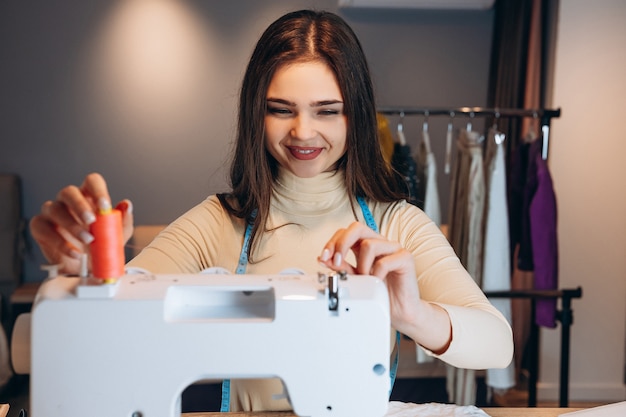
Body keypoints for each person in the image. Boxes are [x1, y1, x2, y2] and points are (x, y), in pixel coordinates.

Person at [29, 9, 513, 412]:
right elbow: (102, 335)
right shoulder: (216, 222)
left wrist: (412, 314)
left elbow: (497, 341)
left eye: (327, 110)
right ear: (255, 113)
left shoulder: (396, 225)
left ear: (357, 115)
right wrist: (84, 278)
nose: (303, 131)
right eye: (281, 109)